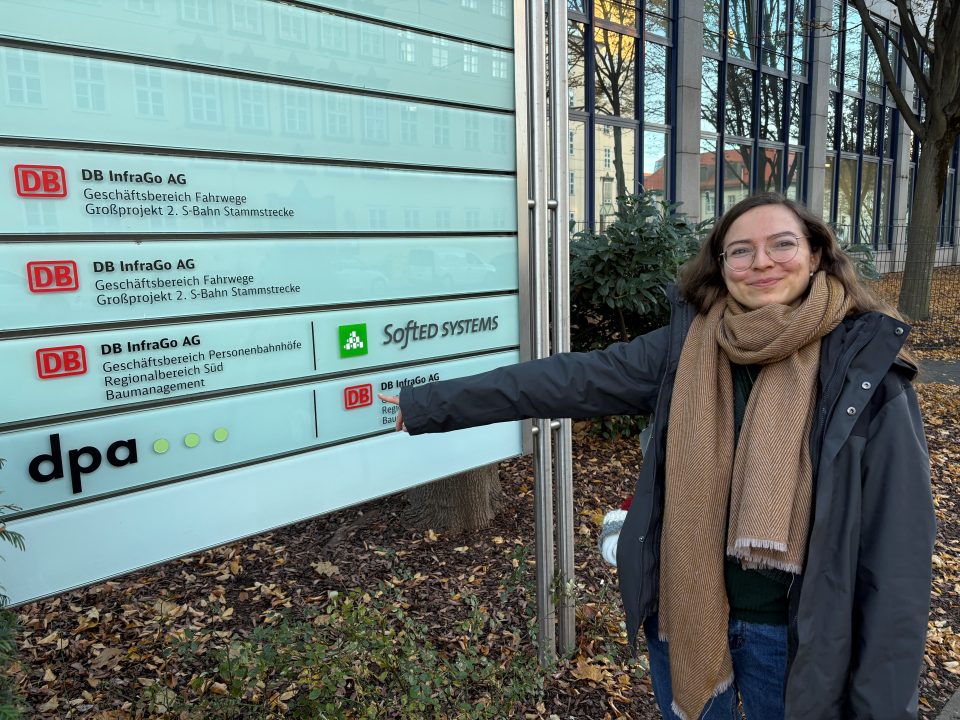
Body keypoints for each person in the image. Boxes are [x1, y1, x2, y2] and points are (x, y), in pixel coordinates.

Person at [379, 193, 935, 720]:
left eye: (782, 244)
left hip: (800, 640)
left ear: (815, 255)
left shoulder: (868, 373)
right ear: (721, 265)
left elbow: (896, 560)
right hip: (688, 617)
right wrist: (429, 404)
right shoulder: (685, 347)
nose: (761, 261)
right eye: (740, 250)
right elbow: (566, 380)